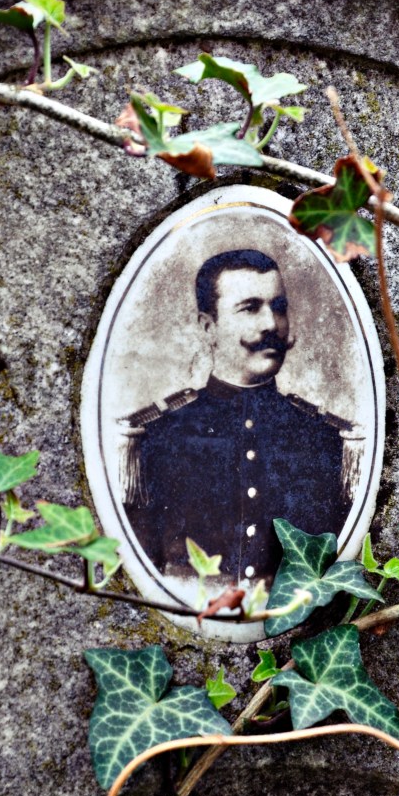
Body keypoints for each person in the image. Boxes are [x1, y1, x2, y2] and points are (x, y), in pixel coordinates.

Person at [120, 249, 353, 585]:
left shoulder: (325, 438)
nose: (271, 324)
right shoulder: (157, 438)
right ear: (208, 327)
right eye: (250, 308)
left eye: (279, 307)